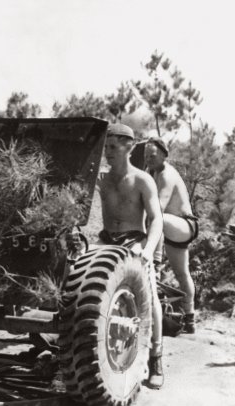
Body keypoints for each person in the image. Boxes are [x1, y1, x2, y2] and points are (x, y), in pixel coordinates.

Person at [98, 123, 165, 389]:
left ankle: (157, 357)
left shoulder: (142, 179)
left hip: (134, 241)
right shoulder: (101, 179)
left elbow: (157, 219)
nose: (107, 153)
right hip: (105, 240)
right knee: (80, 282)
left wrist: (148, 250)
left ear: (129, 147)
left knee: (151, 296)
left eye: (113, 147)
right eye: (105, 147)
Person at [144, 137, 199, 334]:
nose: (149, 159)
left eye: (153, 155)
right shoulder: (151, 173)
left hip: (184, 225)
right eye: (146, 156)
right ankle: (190, 319)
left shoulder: (166, 175)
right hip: (169, 229)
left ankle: (155, 265)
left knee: (157, 219)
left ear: (163, 155)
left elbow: (157, 209)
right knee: (182, 273)